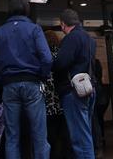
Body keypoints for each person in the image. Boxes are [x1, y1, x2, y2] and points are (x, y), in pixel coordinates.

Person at [0, 0, 52, 159]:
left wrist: (1, 79)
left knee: (12, 137)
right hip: (32, 83)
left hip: (9, 85)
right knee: (39, 136)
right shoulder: (34, 29)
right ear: (27, 10)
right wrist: (42, 75)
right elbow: (47, 59)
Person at [53, 9, 97, 159]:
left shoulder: (71, 38)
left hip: (74, 92)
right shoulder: (89, 38)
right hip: (89, 88)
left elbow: (61, 63)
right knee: (86, 132)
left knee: (79, 137)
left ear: (63, 24)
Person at [43, 30, 69, 159]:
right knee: (64, 133)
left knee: (50, 135)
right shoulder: (61, 55)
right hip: (62, 99)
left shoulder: (43, 57)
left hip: (48, 103)